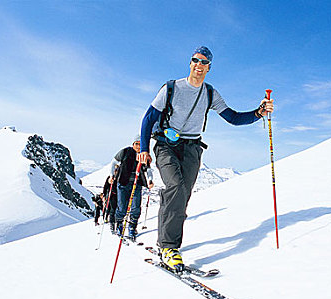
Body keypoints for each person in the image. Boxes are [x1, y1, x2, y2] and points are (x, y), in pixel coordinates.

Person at [138, 46, 274, 272]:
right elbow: (148, 117)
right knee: (176, 187)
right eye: (195, 61)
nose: (198, 66)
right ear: (189, 63)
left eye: (203, 63)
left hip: (192, 148)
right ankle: (169, 247)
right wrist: (144, 148)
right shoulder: (172, 88)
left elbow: (232, 117)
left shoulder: (210, 93)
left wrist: (258, 112)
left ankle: (165, 238)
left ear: (209, 68)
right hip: (165, 145)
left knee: (181, 196)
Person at [110, 135, 154, 240]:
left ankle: (132, 227)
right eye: (136, 144)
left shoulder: (144, 155)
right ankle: (119, 224)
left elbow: (148, 170)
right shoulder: (125, 152)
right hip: (123, 183)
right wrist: (112, 176)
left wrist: (150, 180)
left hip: (137, 184)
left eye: (140, 144)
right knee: (122, 208)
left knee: (136, 208)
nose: (138, 146)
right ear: (133, 144)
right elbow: (114, 163)